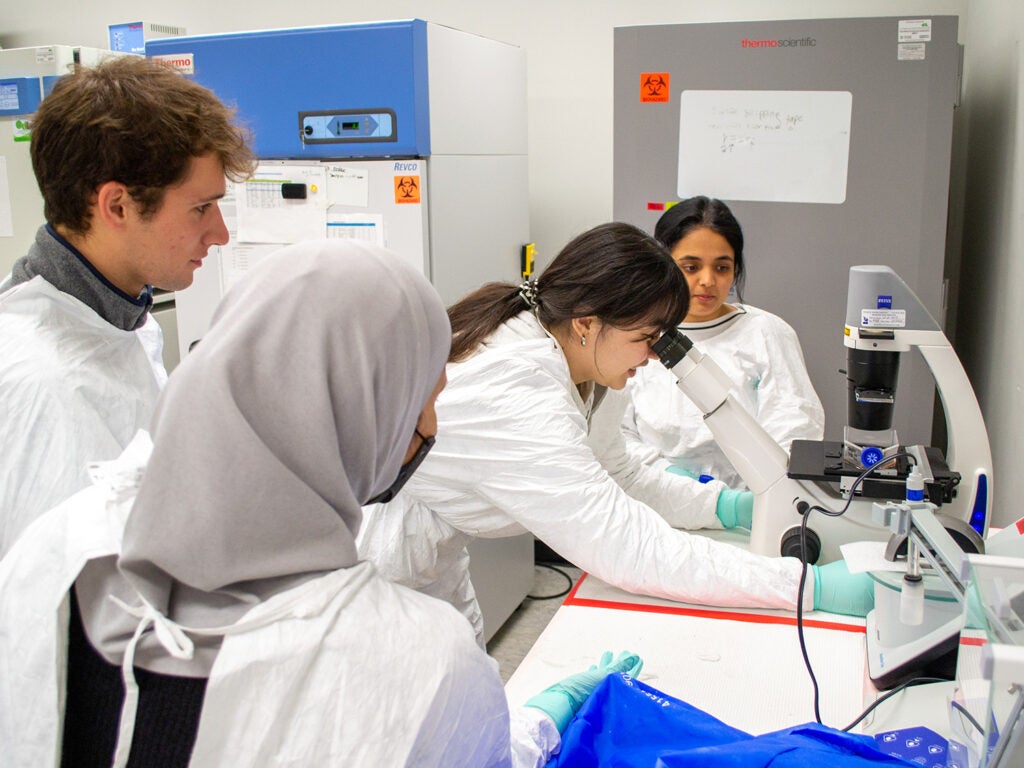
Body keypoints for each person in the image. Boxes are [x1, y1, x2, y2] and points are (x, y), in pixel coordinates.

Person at [0, 239, 643, 767]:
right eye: (422, 397)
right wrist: (535, 723)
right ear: (366, 408)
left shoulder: (58, 543)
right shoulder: (409, 652)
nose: (432, 425)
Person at [358, 222, 871, 647]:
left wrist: (725, 507)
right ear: (587, 322)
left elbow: (617, 473)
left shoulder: (585, 362)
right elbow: (624, 544)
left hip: (432, 562)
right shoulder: (518, 391)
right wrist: (807, 586)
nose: (652, 357)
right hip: (372, 577)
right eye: (646, 338)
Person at [0, 55, 256, 556]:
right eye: (201, 208)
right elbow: (51, 612)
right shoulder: (39, 380)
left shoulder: (124, 321)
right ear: (116, 206)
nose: (220, 234)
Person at [623, 196, 825, 492]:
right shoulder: (635, 334)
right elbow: (617, 436)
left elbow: (795, 429)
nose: (707, 280)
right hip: (655, 498)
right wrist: (672, 480)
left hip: (750, 505)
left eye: (721, 268)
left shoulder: (767, 333)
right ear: (663, 265)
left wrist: (750, 497)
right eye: (690, 267)